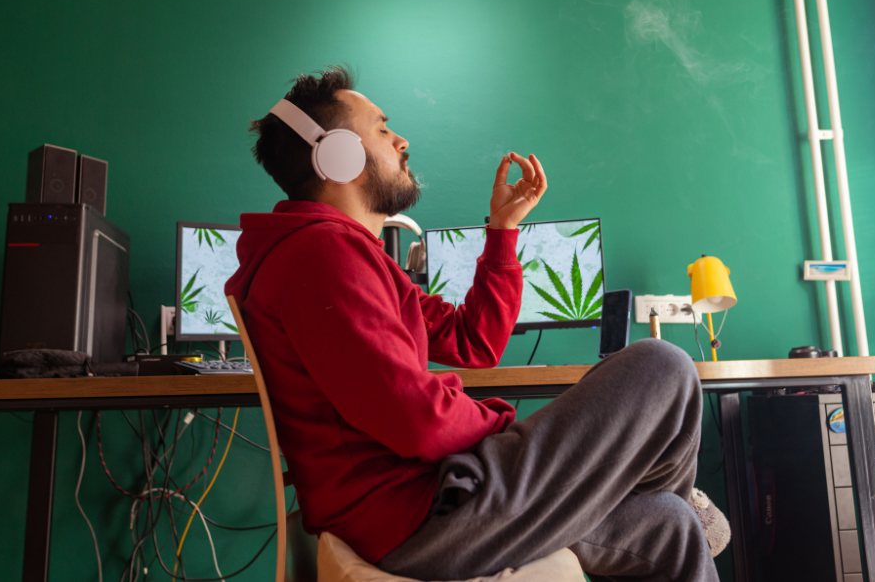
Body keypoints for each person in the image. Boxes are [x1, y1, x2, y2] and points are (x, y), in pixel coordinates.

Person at [225, 66, 725, 582]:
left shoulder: (338, 254)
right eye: (380, 128)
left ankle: (677, 500)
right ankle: (673, 491)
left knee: (670, 524)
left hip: (424, 505)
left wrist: (502, 231)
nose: (401, 141)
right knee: (664, 364)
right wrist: (512, 433)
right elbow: (416, 417)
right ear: (337, 155)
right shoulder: (322, 256)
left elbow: (475, 341)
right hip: (419, 519)